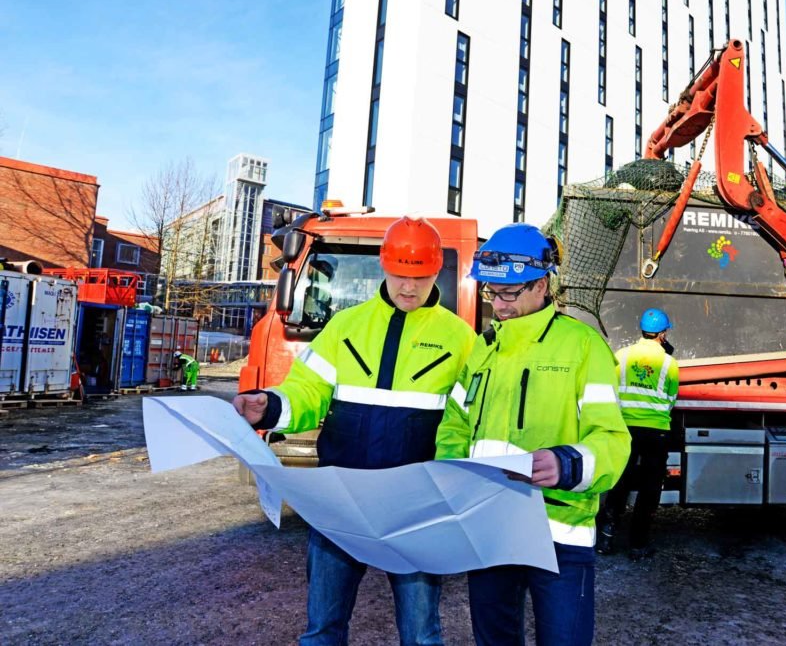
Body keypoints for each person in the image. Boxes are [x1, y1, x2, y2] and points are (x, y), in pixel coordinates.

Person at [231, 216, 475, 646]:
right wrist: (270, 406)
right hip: (341, 500)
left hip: (415, 506)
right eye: (399, 274)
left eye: (420, 277)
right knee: (322, 630)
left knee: (421, 635)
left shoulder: (461, 340)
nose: (408, 287)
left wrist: (451, 485)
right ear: (384, 265)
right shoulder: (344, 326)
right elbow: (308, 391)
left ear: (437, 271)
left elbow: (465, 420)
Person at [435, 223, 630, 646]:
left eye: (509, 293)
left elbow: (613, 441)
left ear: (542, 285)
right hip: (491, 527)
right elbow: (455, 422)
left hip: (559, 531)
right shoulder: (484, 347)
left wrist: (566, 464)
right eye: (492, 292)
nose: (499, 305)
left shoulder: (583, 346)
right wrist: (451, 474)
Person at [595, 308, 679, 560]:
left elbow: (611, 387)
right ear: (662, 334)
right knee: (650, 487)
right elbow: (671, 398)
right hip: (657, 431)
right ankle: (638, 545)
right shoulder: (669, 363)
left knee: (620, 480)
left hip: (625, 428)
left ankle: (606, 539)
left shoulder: (622, 355)